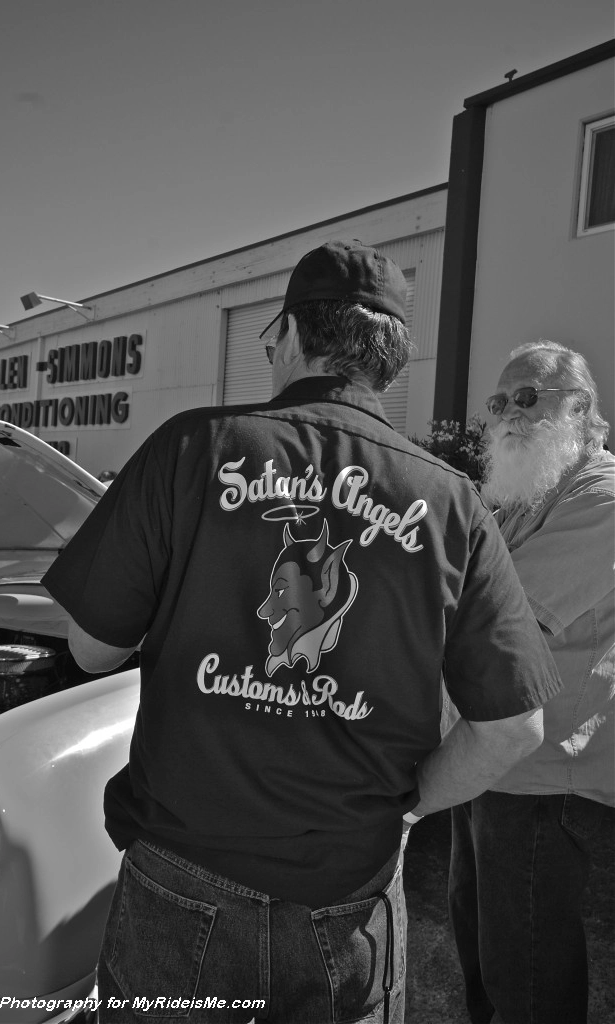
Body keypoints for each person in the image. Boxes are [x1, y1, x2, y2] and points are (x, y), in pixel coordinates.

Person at [43, 241, 561, 1024]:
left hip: (180, 878)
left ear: (288, 334)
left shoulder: (188, 448)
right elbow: (513, 725)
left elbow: (90, 649)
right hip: (347, 896)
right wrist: (407, 805)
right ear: (389, 360)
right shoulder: (451, 502)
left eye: (268, 340)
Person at [448, 340, 614, 1024]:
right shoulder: (525, 498)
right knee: (485, 961)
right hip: (488, 761)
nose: (507, 414)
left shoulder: (603, 498)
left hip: (545, 777)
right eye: (498, 402)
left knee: (526, 979)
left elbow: (506, 621)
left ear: (580, 407)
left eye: (526, 397)